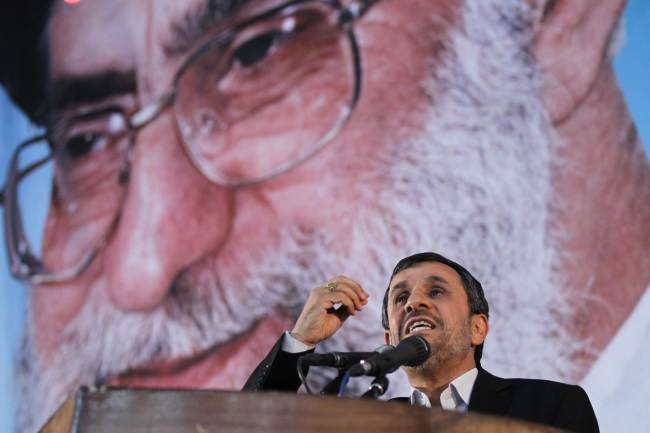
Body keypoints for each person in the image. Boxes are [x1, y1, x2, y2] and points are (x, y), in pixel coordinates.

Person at [0, 0, 647, 432]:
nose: (139, 268)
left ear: (555, 14)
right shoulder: (342, 376)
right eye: (84, 139)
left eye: (257, 52)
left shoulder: (550, 409)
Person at [244, 252, 600, 433]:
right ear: (389, 339)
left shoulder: (551, 406)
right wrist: (302, 339)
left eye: (436, 291)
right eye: (400, 299)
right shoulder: (363, 422)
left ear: (478, 329)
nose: (413, 302)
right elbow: (242, 427)